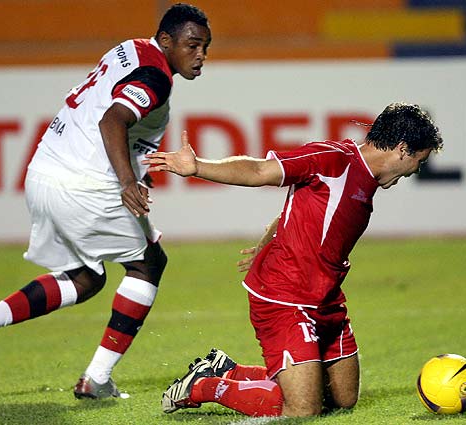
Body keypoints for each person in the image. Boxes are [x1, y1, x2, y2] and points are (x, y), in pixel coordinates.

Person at [0, 3, 211, 400]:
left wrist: (136, 164)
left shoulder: (130, 49)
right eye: (192, 45)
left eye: (206, 47)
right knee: (148, 263)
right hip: (85, 185)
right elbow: (112, 120)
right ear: (166, 41)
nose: (201, 56)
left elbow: (101, 116)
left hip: (43, 173)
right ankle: (97, 380)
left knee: (87, 278)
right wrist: (126, 180)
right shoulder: (156, 77)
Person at [144, 102, 443, 417]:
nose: (414, 172)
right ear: (401, 150)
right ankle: (203, 386)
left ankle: (227, 370)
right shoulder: (333, 159)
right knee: (303, 409)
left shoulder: (366, 182)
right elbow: (260, 170)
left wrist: (267, 239)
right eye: (418, 162)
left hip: (326, 299)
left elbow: (302, 205)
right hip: (284, 297)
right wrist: (198, 167)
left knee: (342, 399)